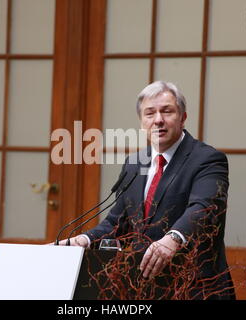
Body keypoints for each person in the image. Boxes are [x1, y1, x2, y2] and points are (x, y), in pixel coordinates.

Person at [58, 81, 235, 299]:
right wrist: (82, 241)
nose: (158, 120)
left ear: (183, 117)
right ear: (142, 122)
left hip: (196, 287)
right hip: (145, 289)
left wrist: (173, 239)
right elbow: (117, 223)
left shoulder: (207, 159)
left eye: (167, 111)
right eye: (150, 113)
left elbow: (205, 208)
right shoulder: (135, 163)